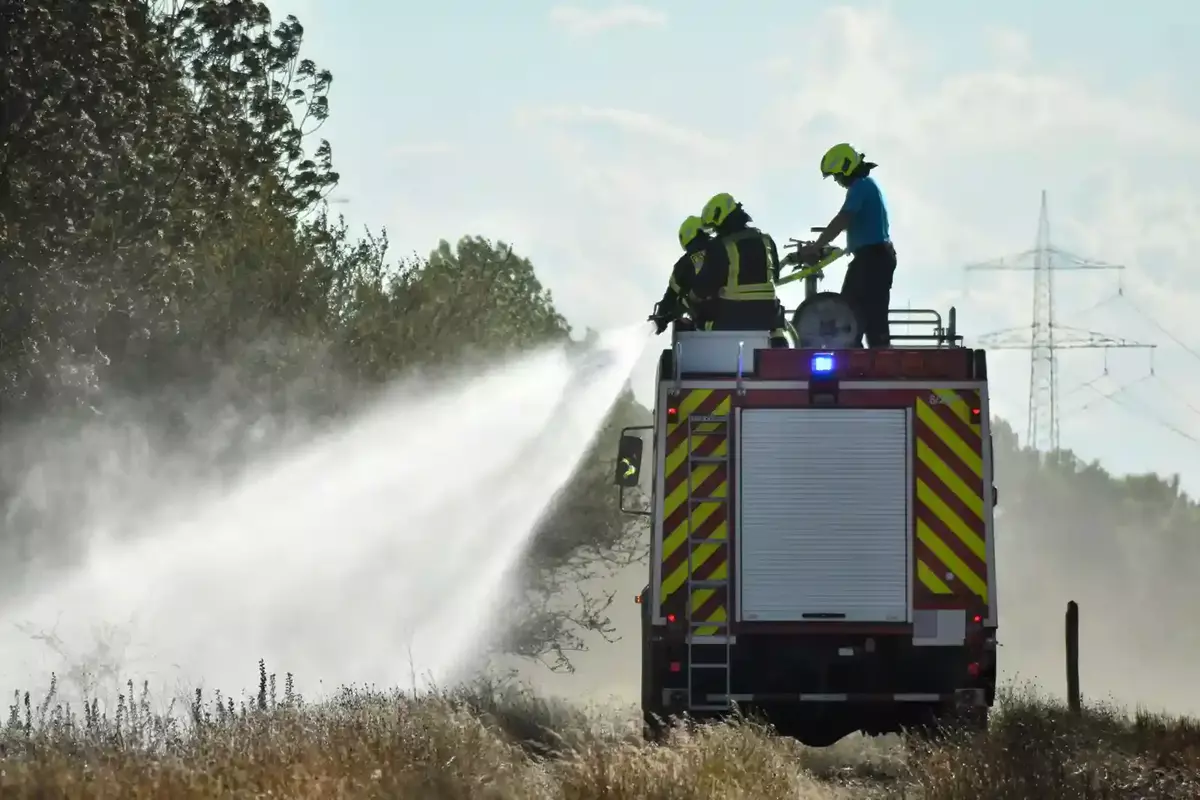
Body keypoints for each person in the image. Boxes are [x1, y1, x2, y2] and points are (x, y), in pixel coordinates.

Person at [800, 143, 897, 348]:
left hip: (872, 258)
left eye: (836, 176)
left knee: (848, 310)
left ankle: (864, 356)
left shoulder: (860, 186)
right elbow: (856, 224)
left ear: (845, 168)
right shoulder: (867, 185)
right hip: (874, 256)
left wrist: (817, 245)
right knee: (863, 312)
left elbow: (843, 219)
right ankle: (869, 354)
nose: (837, 181)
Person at [692, 192, 789, 345]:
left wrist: (693, 298)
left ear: (720, 220)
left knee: (699, 316)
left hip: (733, 317)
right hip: (769, 317)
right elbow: (775, 276)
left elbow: (703, 288)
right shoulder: (766, 240)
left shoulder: (720, 246)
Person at [650, 215, 715, 334]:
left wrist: (660, 320)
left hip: (704, 327)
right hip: (734, 316)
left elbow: (669, 299)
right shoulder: (722, 250)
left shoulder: (683, 265)